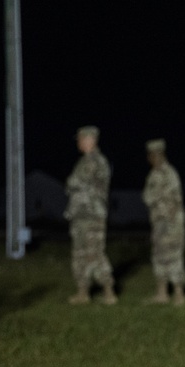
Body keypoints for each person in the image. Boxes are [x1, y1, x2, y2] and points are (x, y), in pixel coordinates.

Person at [64, 125, 116, 305]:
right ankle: (83, 292)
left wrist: (72, 183)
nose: (78, 142)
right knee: (80, 254)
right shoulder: (84, 161)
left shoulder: (95, 161)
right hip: (81, 214)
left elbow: (75, 182)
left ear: (89, 140)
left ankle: (108, 292)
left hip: (92, 215)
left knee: (94, 253)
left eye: (80, 139)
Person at [141, 138, 185, 306]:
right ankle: (161, 294)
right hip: (159, 224)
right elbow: (147, 197)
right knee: (159, 256)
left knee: (173, 257)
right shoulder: (153, 175)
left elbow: (172, 201)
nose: (149, 159)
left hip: (172, 224)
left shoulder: (169, 174)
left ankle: (178, 294)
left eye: (152, 156)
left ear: (158, 155)